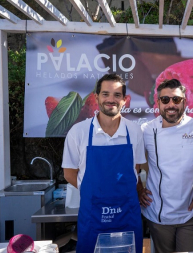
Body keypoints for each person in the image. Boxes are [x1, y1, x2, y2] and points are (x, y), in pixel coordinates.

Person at [62, 74, 146, 253]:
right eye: (105, 94)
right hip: (93, 217)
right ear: (96, 97)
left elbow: (135, 171)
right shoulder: (78, 132)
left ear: (125, 100)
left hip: (127, 216)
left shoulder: (134, 131)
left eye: (117, 95)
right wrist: (95, 193)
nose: (111, 100)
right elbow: (69, 174)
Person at [139, 79, 193, 253]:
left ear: (185, 102)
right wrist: (138, 189)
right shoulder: (146, 130)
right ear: (157, 103)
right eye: (165, 100)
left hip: (191, 213)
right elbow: (132, 165)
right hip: (158, 214)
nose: (171, 104)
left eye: (176, 100)